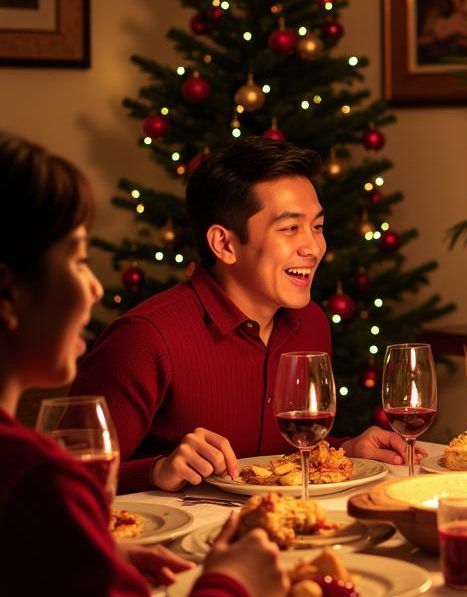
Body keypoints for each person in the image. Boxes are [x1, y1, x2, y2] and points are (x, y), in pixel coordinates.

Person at [0, 132, 288, 597]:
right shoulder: (35, 480)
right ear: (9, 291)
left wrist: (84, 557)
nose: (96, 289)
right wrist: (231, 588)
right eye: (77, 261)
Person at [72, 137, 413, 494]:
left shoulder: (310, 323)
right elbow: (59, 477)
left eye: (317, 226)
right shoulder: (145, 339)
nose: (313, 248)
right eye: (290, 228)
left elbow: (279, 461)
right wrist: (157, 470)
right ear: (224, 244)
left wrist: (346, 450)